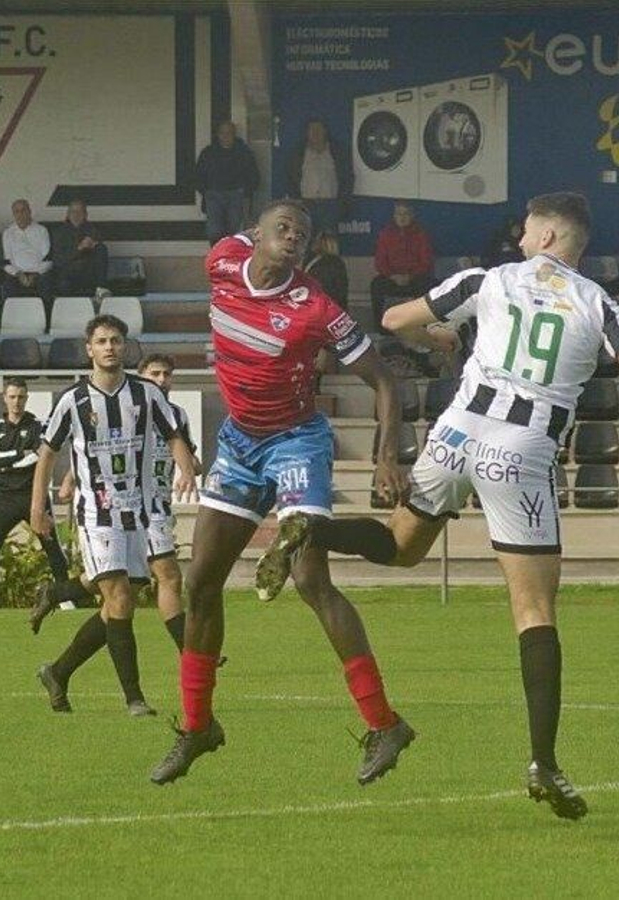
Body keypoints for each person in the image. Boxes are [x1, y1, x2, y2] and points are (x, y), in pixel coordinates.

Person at [281, 191, 619, 819]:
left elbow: (392, 320)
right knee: (534, 609)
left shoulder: (487, 279)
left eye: (527, 230)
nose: (519, 239)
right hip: (519, 451)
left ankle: (310, 528)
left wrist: (442, 333)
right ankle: (543, 761)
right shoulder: (598, 303)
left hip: (456, 433)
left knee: (402, 547)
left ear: (550, 236)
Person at [149, 199, 414, 789]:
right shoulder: (221, 260)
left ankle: (385, 724)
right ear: (255, 235)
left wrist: (386, 456)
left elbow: (384, 379)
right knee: (199, 583)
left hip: (296, 441)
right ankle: (197, 729)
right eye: (283, 228)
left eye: (304, 233)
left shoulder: (315, 307)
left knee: (310, 581)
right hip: (239, 444)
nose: (293, 237)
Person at [31, 314, 197, 717]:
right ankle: (134, 698)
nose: (109, 347)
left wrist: (186, 468)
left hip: (139, 514)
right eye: (102, 341)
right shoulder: (73, 400)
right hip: (96, 514)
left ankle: (58, 670)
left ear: (124, 347)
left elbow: (174, 434)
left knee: (117, 603)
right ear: (90, 349)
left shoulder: (146, 394)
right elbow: (48, 454)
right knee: (121, 598)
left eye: (116, 341)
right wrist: (39, 506)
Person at [34, 354, 204, 645]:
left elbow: (189, 455)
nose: (161, 380)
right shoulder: (125, 404)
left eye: (167, 374)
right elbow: (97, 450)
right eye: (155, 374)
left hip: (159, 503)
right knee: (167, 576)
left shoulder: (176, 414)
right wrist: (69, 480)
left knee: (124, 591)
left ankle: (59, 612)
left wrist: (188, 468)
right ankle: (192, 652)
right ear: (141, 376)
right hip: (126, 507)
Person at [0, 378, 79, 612]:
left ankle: (65, 596)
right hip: (6, 497)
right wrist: (19, 454)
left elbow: (38, 456)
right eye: (12, 397)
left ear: (26, 398)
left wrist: (9, 460)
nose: (17, 402)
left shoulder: (37, 426)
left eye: (21, 397)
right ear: (4, 398)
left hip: (33, 496)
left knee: (52, 546)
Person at [194, 119, 260, 245]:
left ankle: (232, 259)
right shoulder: (208, 153)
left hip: (236, 196)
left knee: (235, 233)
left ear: (234, 134)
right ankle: (217, 259)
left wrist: (245, 192)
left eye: (229, 133)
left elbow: (254, 175)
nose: (225, 136)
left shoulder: (244, 153)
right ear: (217, 134)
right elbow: (198, 175)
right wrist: (206, 191)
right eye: (222, 133)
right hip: (213, 195)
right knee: (214, 232)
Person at [370, 201, 435, 327]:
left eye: (406, 213)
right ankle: (381, 327)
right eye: (399, 213)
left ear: (412, 215)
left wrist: (410, 276)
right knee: (376, 285)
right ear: (394, 216)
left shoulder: (421, 234)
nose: (402, 217)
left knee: (428, 285)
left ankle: (424, 326)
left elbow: (426, 262)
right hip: (391, 278)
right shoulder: (385, 234)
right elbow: (380, 262)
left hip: (415, 278)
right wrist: (392, 276)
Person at [287, 118, 352, 238]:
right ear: (307, 133)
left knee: (329, 241)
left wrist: (343, 202)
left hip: (330, 206)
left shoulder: (336, 152)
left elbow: (347, 177)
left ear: (325, 131)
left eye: (318, 129)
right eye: (312, 130)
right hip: (306, 204)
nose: (315, 133)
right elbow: (291, 178)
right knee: (305, 240)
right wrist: (296, 201)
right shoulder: (299, 153)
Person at [50, 200, 109, 299]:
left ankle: (101, 290)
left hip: (87, 273)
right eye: (73, 212)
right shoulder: (59, 232)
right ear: (68, 215)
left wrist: (93, 245)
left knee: (101, 248)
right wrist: (79, 248)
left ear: (85, 215)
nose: (76, 215)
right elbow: (59, 260)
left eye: (80, 212)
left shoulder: (92, 230)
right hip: (67, 274)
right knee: (62, 280)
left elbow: (99, 256)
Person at [2, 199, 52, 304]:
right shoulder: (8, 233)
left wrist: (35, 274)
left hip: (38, 273)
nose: (20, 214)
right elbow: (6, 261)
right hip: (16, 274)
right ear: (13, 214)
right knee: (8, 285)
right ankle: (11, 317)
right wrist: (18, 274)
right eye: (17, 211)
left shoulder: (42, 230)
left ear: (29, 211)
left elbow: (48, 258)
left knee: (46, 283)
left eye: (23, 210)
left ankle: (46, 317)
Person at [303, 231, 349, 311]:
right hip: (331, 309)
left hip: (311, 306)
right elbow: (341, 292)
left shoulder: (309, 261)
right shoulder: (336, 263)